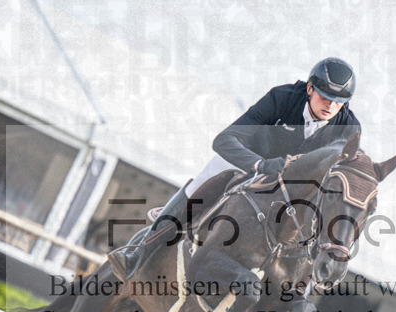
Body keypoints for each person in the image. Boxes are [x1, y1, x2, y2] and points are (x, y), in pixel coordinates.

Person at [108, 57, 362, 282]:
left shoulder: (348, 129)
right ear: (309, 89)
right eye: (325, 97)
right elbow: (224, 139)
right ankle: (140, 251)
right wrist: (259, 164)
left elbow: (341, 177)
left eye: (339, 102)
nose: (330, 106)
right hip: (251, 161)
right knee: (204, 180)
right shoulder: (283, 98)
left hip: (292, 186)